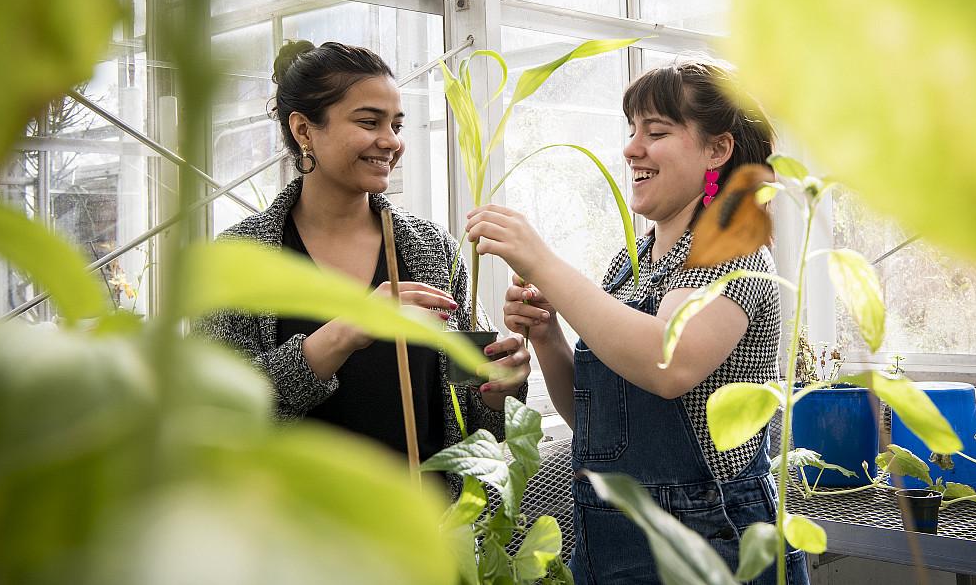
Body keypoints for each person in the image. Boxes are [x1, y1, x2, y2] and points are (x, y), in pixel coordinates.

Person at [465, 60, 810, 584]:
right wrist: (549, 335)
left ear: (717, 150)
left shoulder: (732, 246)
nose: (631, 148)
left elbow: (666, 363)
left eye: (657, 132)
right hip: (613, 537)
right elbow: (595, 424)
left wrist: (545, 265)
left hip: (711, 542)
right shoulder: (632, 264)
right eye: (632, 131)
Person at [199, 40, 529, 469]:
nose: (390, 142)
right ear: (304, 131)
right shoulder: (240, 259)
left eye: (396, 125)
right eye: (369, 121)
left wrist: (500, 388)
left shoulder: (431, 248)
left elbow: (476, 424)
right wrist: (342, 333)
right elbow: (216, 417)